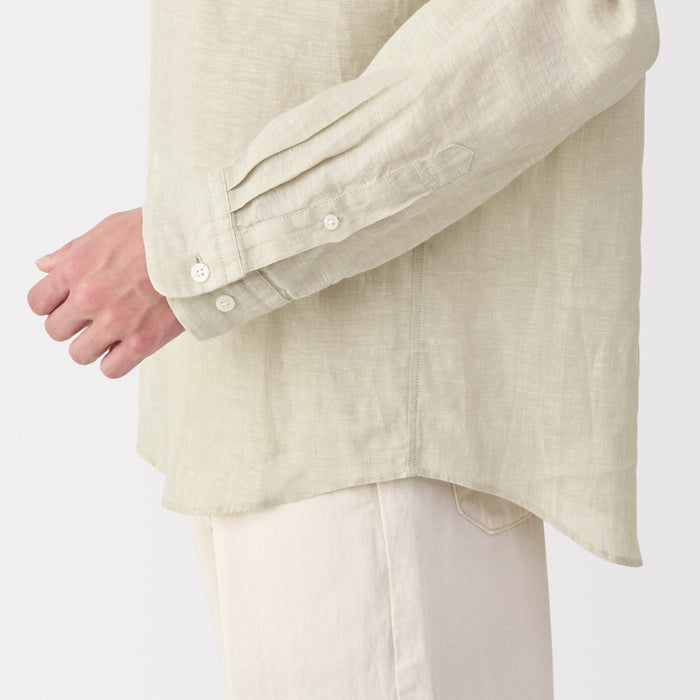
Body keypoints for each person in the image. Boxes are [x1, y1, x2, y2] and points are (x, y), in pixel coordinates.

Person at [27, 0, 660, 697]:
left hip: (376, 429)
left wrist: (202, 245)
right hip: (255, 403)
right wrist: (195, 253)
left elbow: (576, 16)